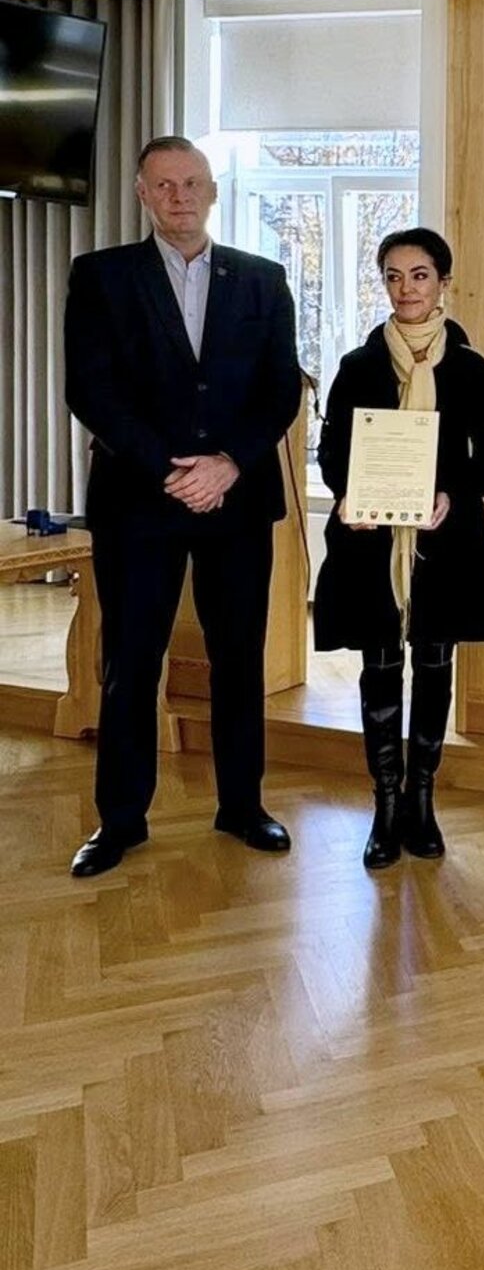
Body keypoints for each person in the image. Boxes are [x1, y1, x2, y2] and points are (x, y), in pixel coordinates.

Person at [62, 135, 302, 877]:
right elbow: (90, 389)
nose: (180, 196)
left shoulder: (263, 279)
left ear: (213, 190)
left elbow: (280, 389)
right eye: (164, 185)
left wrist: (228, 463)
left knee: (239, 659)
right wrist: (173, 470)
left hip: (237, 498)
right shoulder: (101, 276)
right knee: (131, 662)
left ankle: (243, 806)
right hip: (140, 501)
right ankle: (120, 821)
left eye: (192, 182)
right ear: (142, 193)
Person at [314, 228, 484, 869]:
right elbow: (332, 453)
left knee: (433, 664)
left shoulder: (470, 369)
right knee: (378, 667)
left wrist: (453, 494)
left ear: (443, 282)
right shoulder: (358, 366)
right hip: (372, 544)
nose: (406, 289)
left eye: (419, 275)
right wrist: (349, 494)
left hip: (442, 543)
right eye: (393, 276)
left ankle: (421, 801)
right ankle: (385, 804)